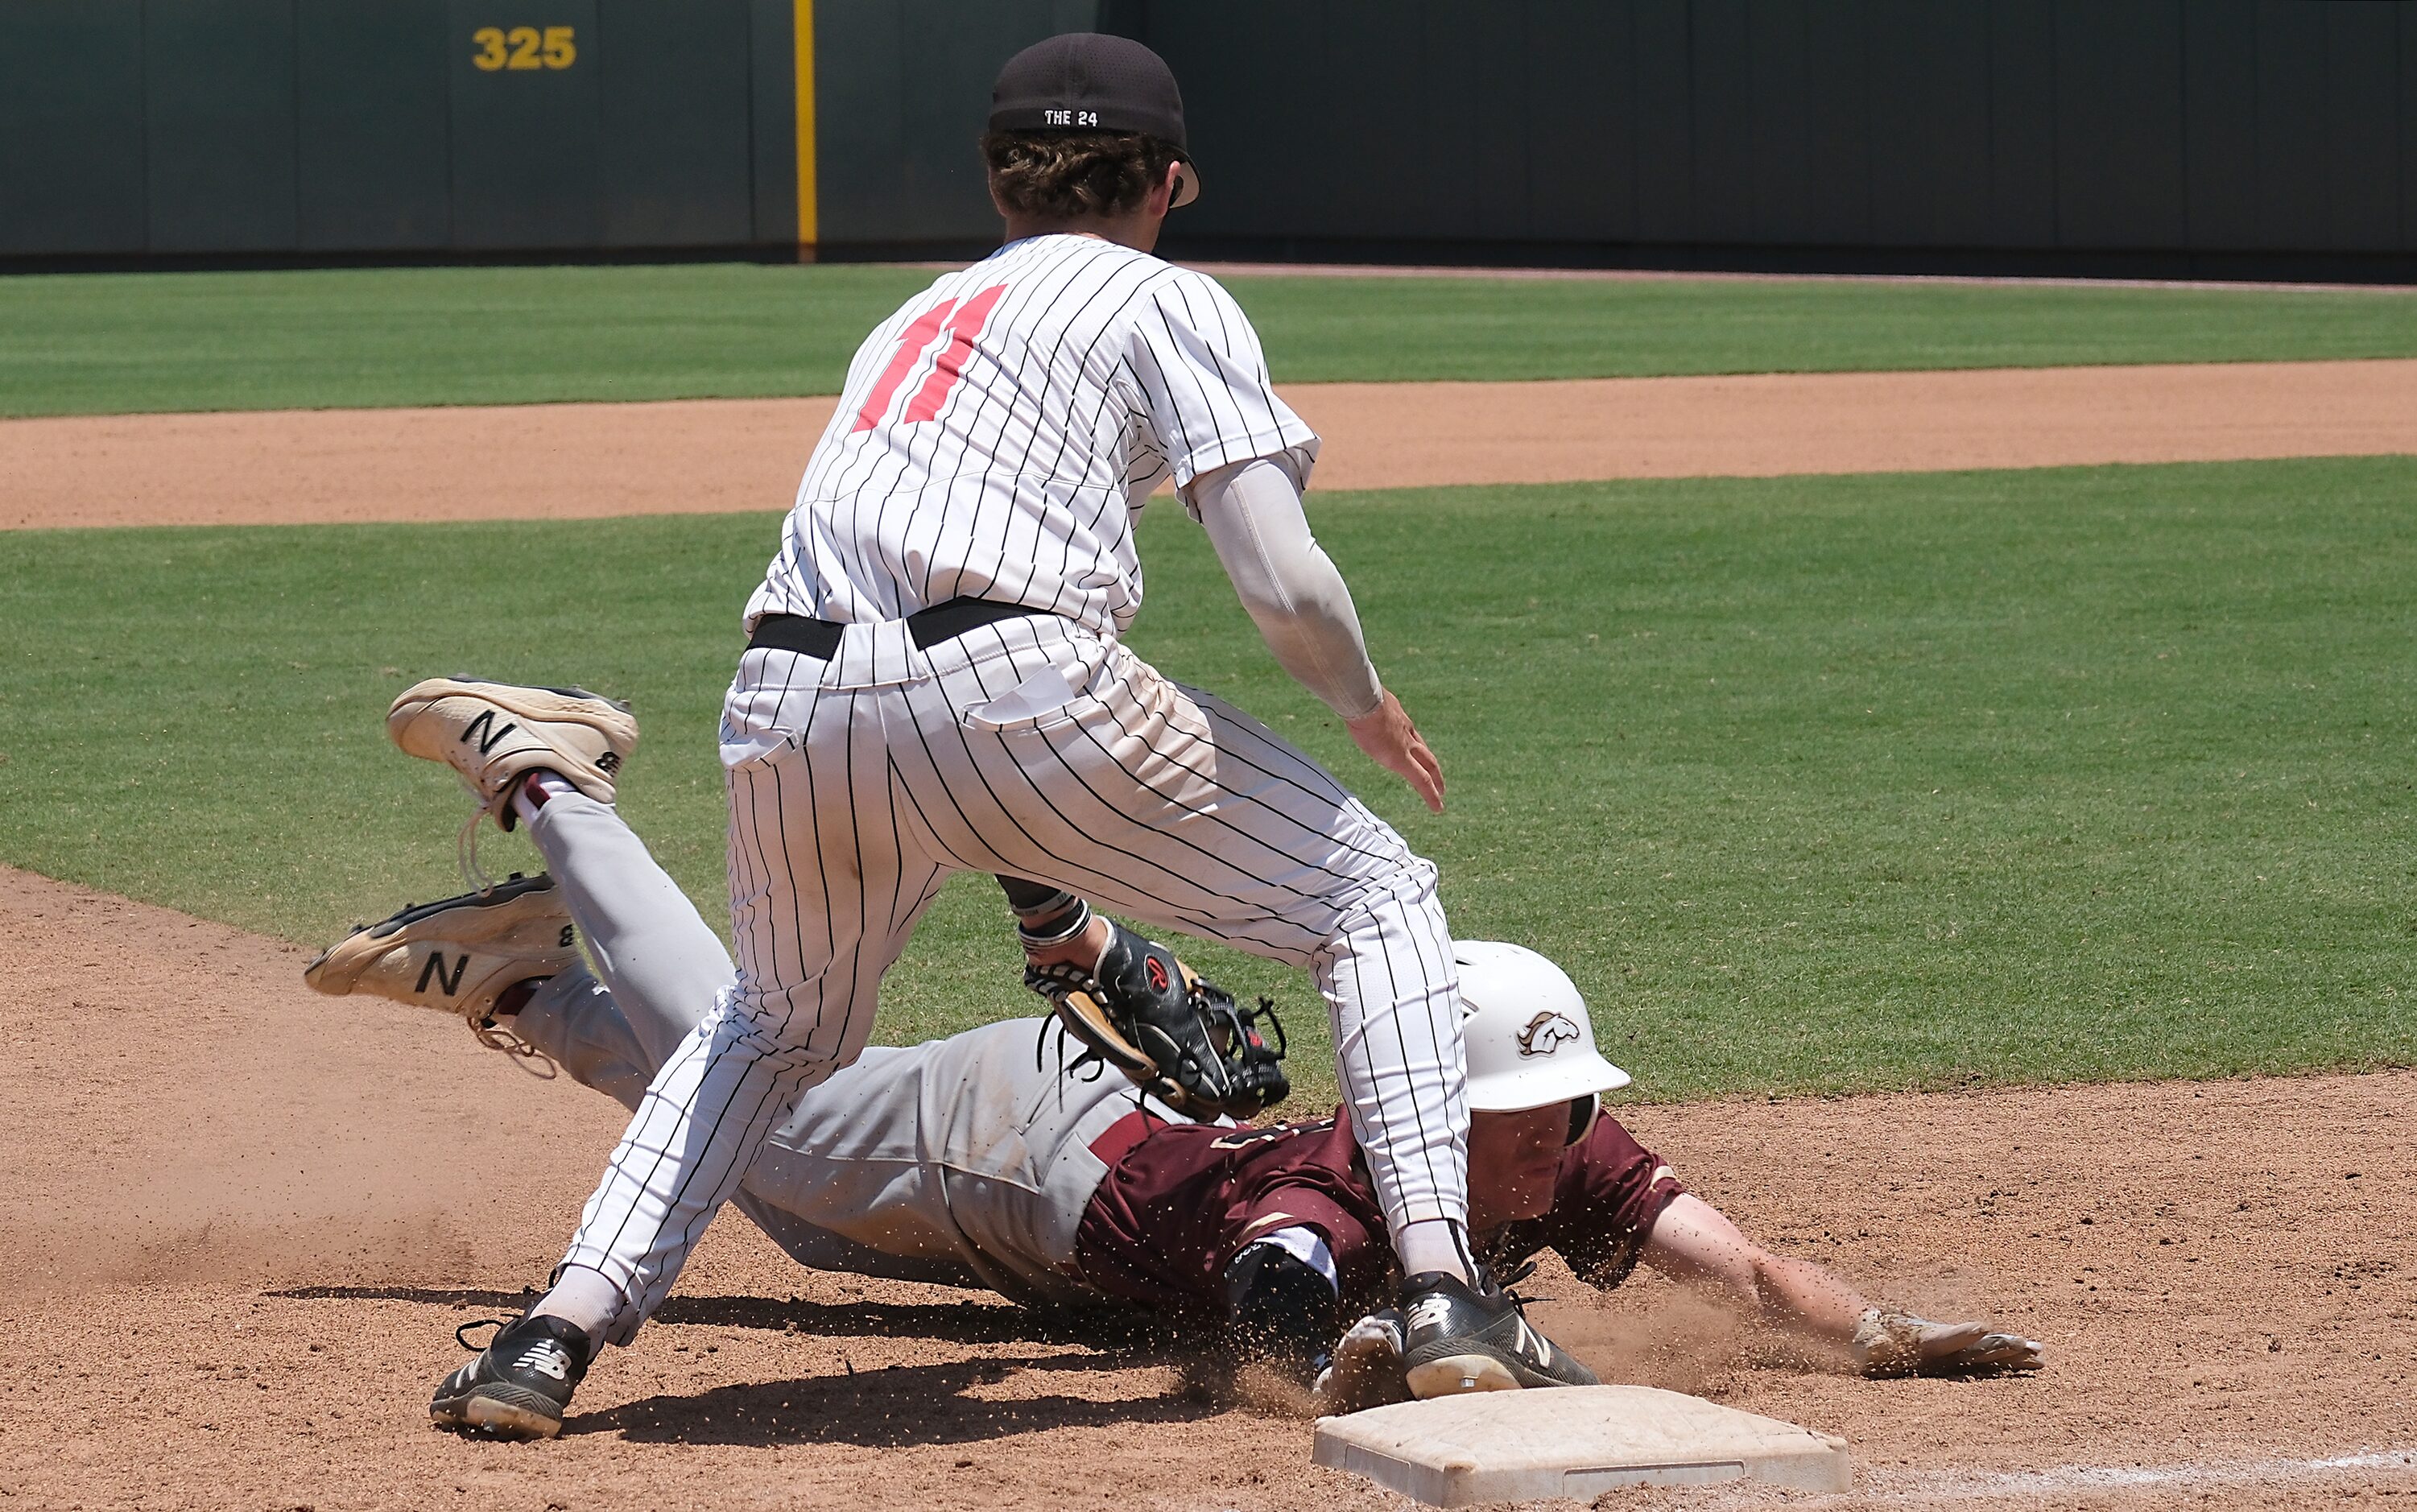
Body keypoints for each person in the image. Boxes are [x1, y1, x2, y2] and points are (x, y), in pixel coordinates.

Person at [379, 31, 1527, 1437]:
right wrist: (1363, 704)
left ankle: (550, 1337)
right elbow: (1280, 578)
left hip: (788, 702)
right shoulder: (1164, 297)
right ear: (1168, 182)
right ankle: (1445, 1294)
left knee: (770, 1027)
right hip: (1022, 685)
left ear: (997, 179)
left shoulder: (915, 317)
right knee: (1376, 898)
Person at [307, 782, 2041, 1431]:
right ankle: (562, 794)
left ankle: (530, 979)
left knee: (776, 1165)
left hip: (1067, 1178)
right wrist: (1365, 1355)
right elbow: (1283, 1299)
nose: (1560, 1131)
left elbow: (1736, 1269)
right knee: (771, 1138)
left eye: (1564, 1103)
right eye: (1535, 1103)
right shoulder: (1371, 1181)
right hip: (1026, 1147)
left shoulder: (1554, 1138)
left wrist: (1878, 1331)